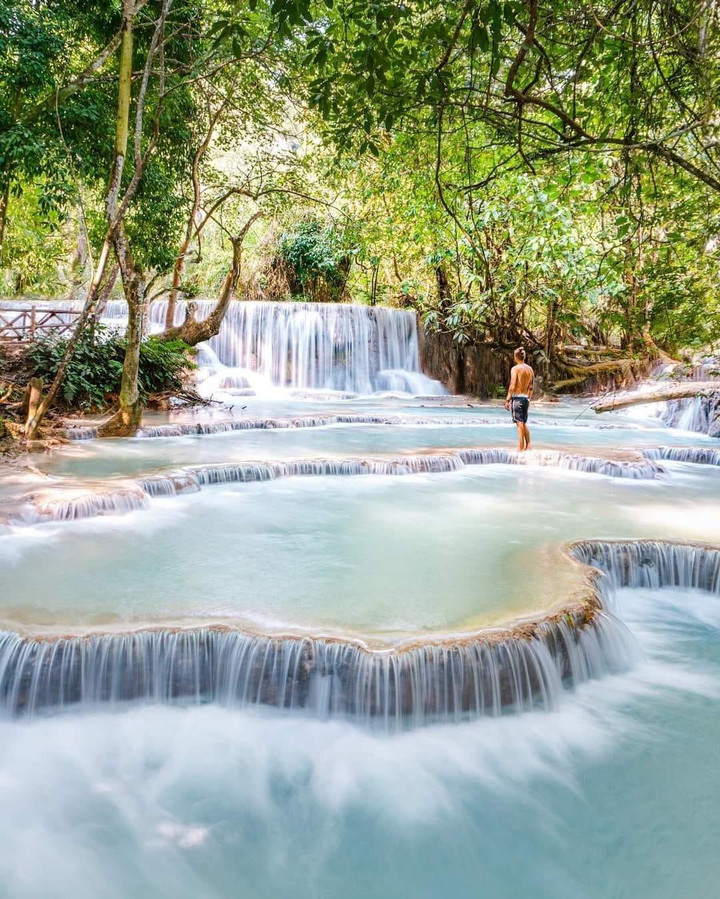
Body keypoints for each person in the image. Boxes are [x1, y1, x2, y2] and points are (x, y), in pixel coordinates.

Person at [504, 347, 534, 451]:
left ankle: (521, 447)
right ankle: (528, 445)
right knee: (524, 422)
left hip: (517, 399)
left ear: (515, 357)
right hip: (525, 398)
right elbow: (531, 387)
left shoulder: (515, 369)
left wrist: (508, 399)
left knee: (519, 423)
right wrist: (529, 399)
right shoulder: (530, 369)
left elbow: (512, 384)